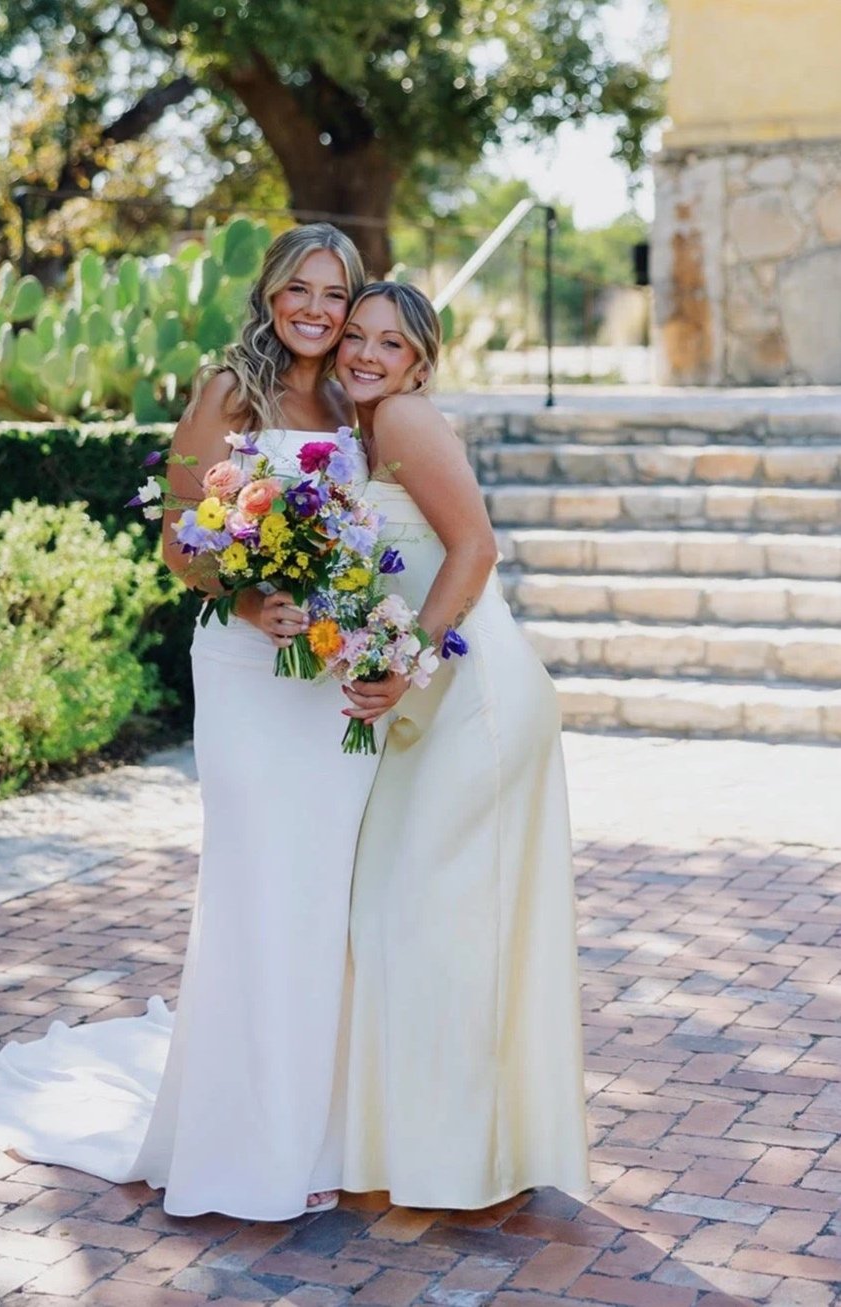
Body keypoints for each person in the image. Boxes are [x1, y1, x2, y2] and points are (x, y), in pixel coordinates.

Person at [0, 224, 379, 1220]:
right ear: (270, 293)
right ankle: (245, 1138)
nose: (317, 310)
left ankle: (322, 1128)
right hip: (247, 665)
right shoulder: (228, 388)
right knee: (253, 891)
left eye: (334, 292)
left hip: (328, 675)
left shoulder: (361, 394)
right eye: (299, 289)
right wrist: (247, 599)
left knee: (325, 898)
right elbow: (181, 536)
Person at [333, 282, 589, 1208]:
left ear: (419, 361)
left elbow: (474, 547)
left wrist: (404, 664)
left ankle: (454, 1162)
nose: (365, 353)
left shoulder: (400, 417)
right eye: (354, 335)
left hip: (473, 698)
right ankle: (415, 1146)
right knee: (408, 918)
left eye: (388, 342)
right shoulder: (356, 429)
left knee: (439, 926)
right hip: (430, 696)